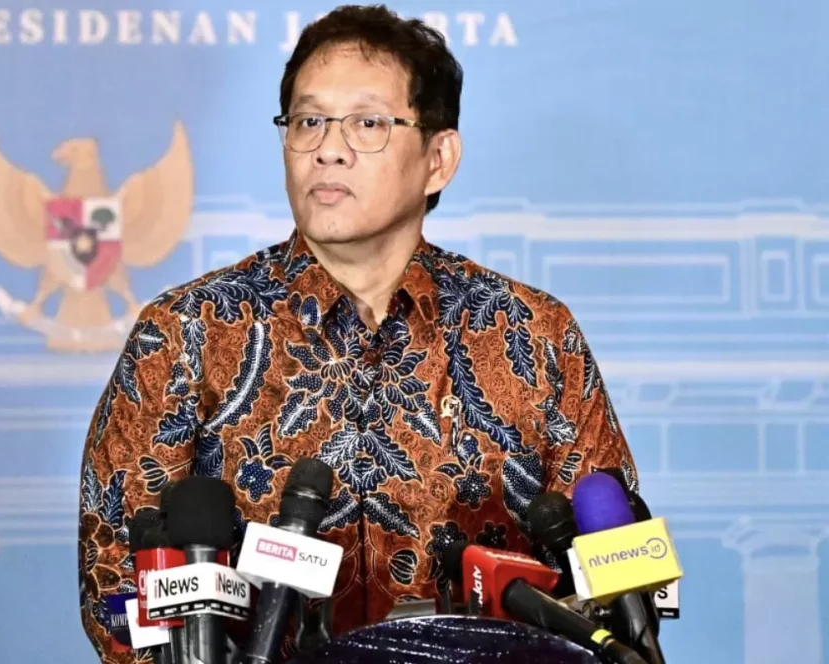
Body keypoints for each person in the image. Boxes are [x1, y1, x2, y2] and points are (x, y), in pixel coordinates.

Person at [78, 4, 637, 662]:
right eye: (307, 121)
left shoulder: (534, 334)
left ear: (438, 158)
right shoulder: (185, 332)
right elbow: (115, 590)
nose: (328, 148)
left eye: (367, 123)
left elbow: (611, 580)